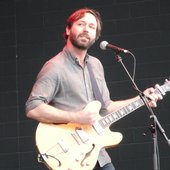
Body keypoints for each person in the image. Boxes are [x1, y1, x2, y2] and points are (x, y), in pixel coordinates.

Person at [25, 8, 163, 170]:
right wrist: (76, 117)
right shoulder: (55, 66)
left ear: (95, 36)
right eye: (81, 24)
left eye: (91, 26)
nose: (86, 29)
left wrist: (142, 99)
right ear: (68, 29)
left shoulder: (95, 65)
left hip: (97, 153)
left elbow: (106, 107)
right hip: (71, 154)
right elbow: (32, 108)